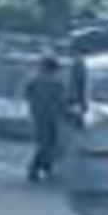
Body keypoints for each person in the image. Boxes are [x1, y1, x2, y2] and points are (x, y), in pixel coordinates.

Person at [23, 53, 72, 181]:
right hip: (52, 117)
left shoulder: (34, 80)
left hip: (38, 114)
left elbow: (27, 95)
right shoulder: (57, 83)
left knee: (44, 143)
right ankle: (37, 168)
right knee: (49, 143)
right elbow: (62, 101)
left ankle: (44, 167)